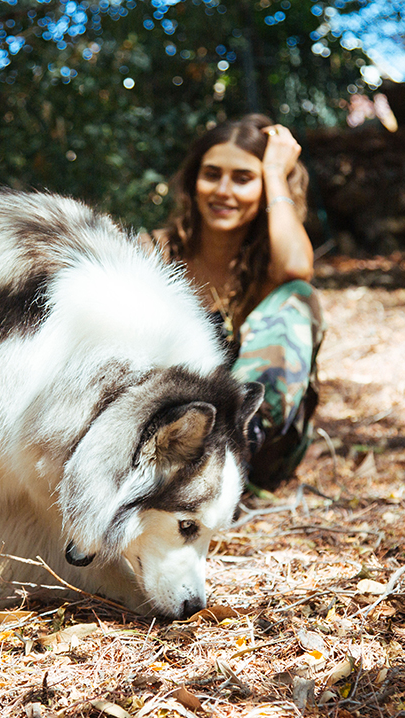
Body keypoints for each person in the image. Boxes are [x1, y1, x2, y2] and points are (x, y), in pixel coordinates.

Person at [145, 114, 324, 488]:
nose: (223, 191)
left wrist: (274, 172)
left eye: (243, 178)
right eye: (212, 175)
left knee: (298, 298)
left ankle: (231, 458)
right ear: (193, 183)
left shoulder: (274, 265)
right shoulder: (154, 254)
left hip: (258, 453)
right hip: (164, 446)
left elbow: (297, 268)